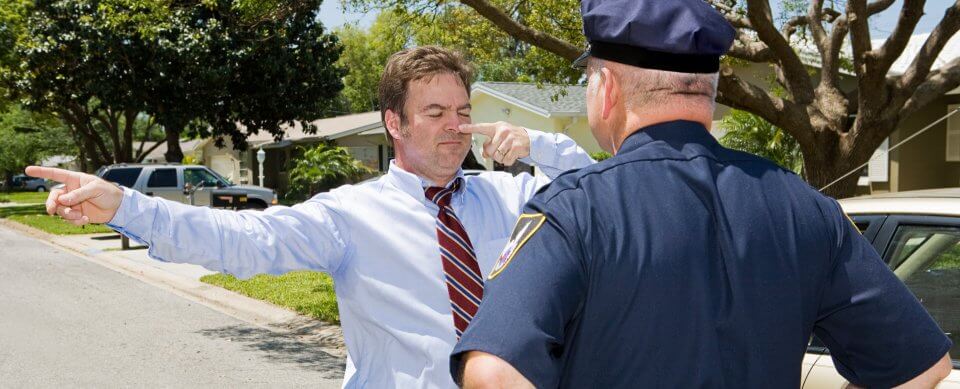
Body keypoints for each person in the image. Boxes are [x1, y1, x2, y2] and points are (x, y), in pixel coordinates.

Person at [450, 1, 954, 388]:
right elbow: (923, 368)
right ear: (706, 91)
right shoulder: (805, 207)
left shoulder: (575, 210)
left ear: (606, 89)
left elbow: (494, 374)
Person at [26, 46, 595, 388]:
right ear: (394, 123)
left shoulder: (508, 196)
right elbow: (240, 239)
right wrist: (128, 206)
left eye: (465, 112)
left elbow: (590, 193)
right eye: (437, 112)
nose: (457, 126)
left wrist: (539, 144)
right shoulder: (351, 215)